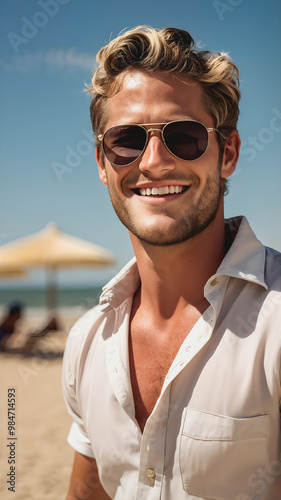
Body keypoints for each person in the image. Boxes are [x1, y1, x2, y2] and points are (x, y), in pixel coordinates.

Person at [62, 26, 281, 500]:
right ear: (103, 163)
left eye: (184, 136)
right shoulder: (85, 343)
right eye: (126, 140)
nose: (154, 161)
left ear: (229, 153)